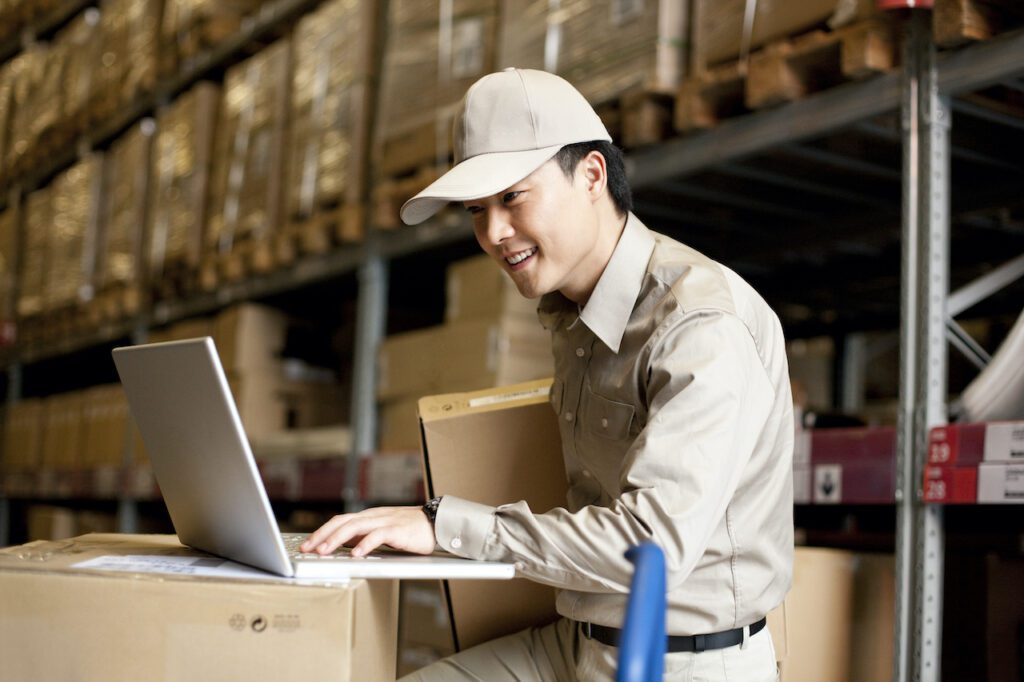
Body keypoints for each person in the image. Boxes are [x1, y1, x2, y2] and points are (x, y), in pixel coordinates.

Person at [301, 68, 793, 681]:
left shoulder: (698, 322)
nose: (493, 233)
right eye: (478, 210)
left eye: (513, 197)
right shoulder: (572, 312)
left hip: (682, 660)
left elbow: (650, 550)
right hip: (576, 643)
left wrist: (445, 526)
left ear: (591, 175)